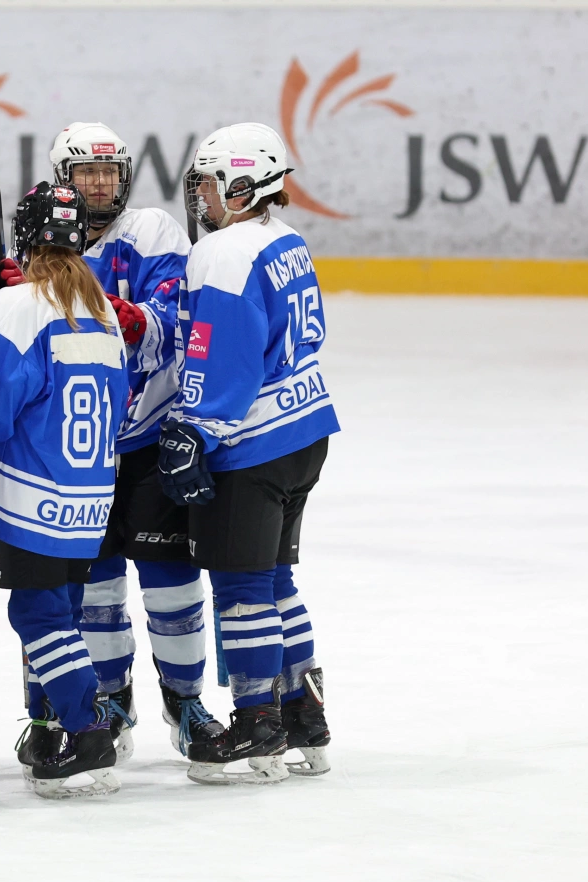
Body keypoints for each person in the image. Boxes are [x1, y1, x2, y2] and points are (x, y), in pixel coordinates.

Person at [159, 123, 338, 784]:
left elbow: (224, 358)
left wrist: (196, 430)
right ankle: (304, 716)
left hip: (253, 443)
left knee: (241, 589)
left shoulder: (224, 253)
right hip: (305, 431)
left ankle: (257, 722)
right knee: (275, 580)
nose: (200, 195)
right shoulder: (285, 239)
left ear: (240, 186)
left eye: (209, 183)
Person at [47, 122, 221, 764]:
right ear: (64, 180)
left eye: (109, 172)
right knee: (95, 587)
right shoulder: (45, 239)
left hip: (151, 438)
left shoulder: (150, 231)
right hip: (80, 449)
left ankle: (186, 703)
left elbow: (177, 318)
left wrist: (133, 319)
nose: (100, 184)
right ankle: (110, 700)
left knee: (172, 582)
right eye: (86, 173)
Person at [0, 182, 128, 799]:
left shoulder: (13, 308)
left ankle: (88, 729)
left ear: (25, 239)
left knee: (36, 614)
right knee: (61, 615)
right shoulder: (102, 307)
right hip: (91, 496)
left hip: (31, 492)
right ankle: (54, 726)